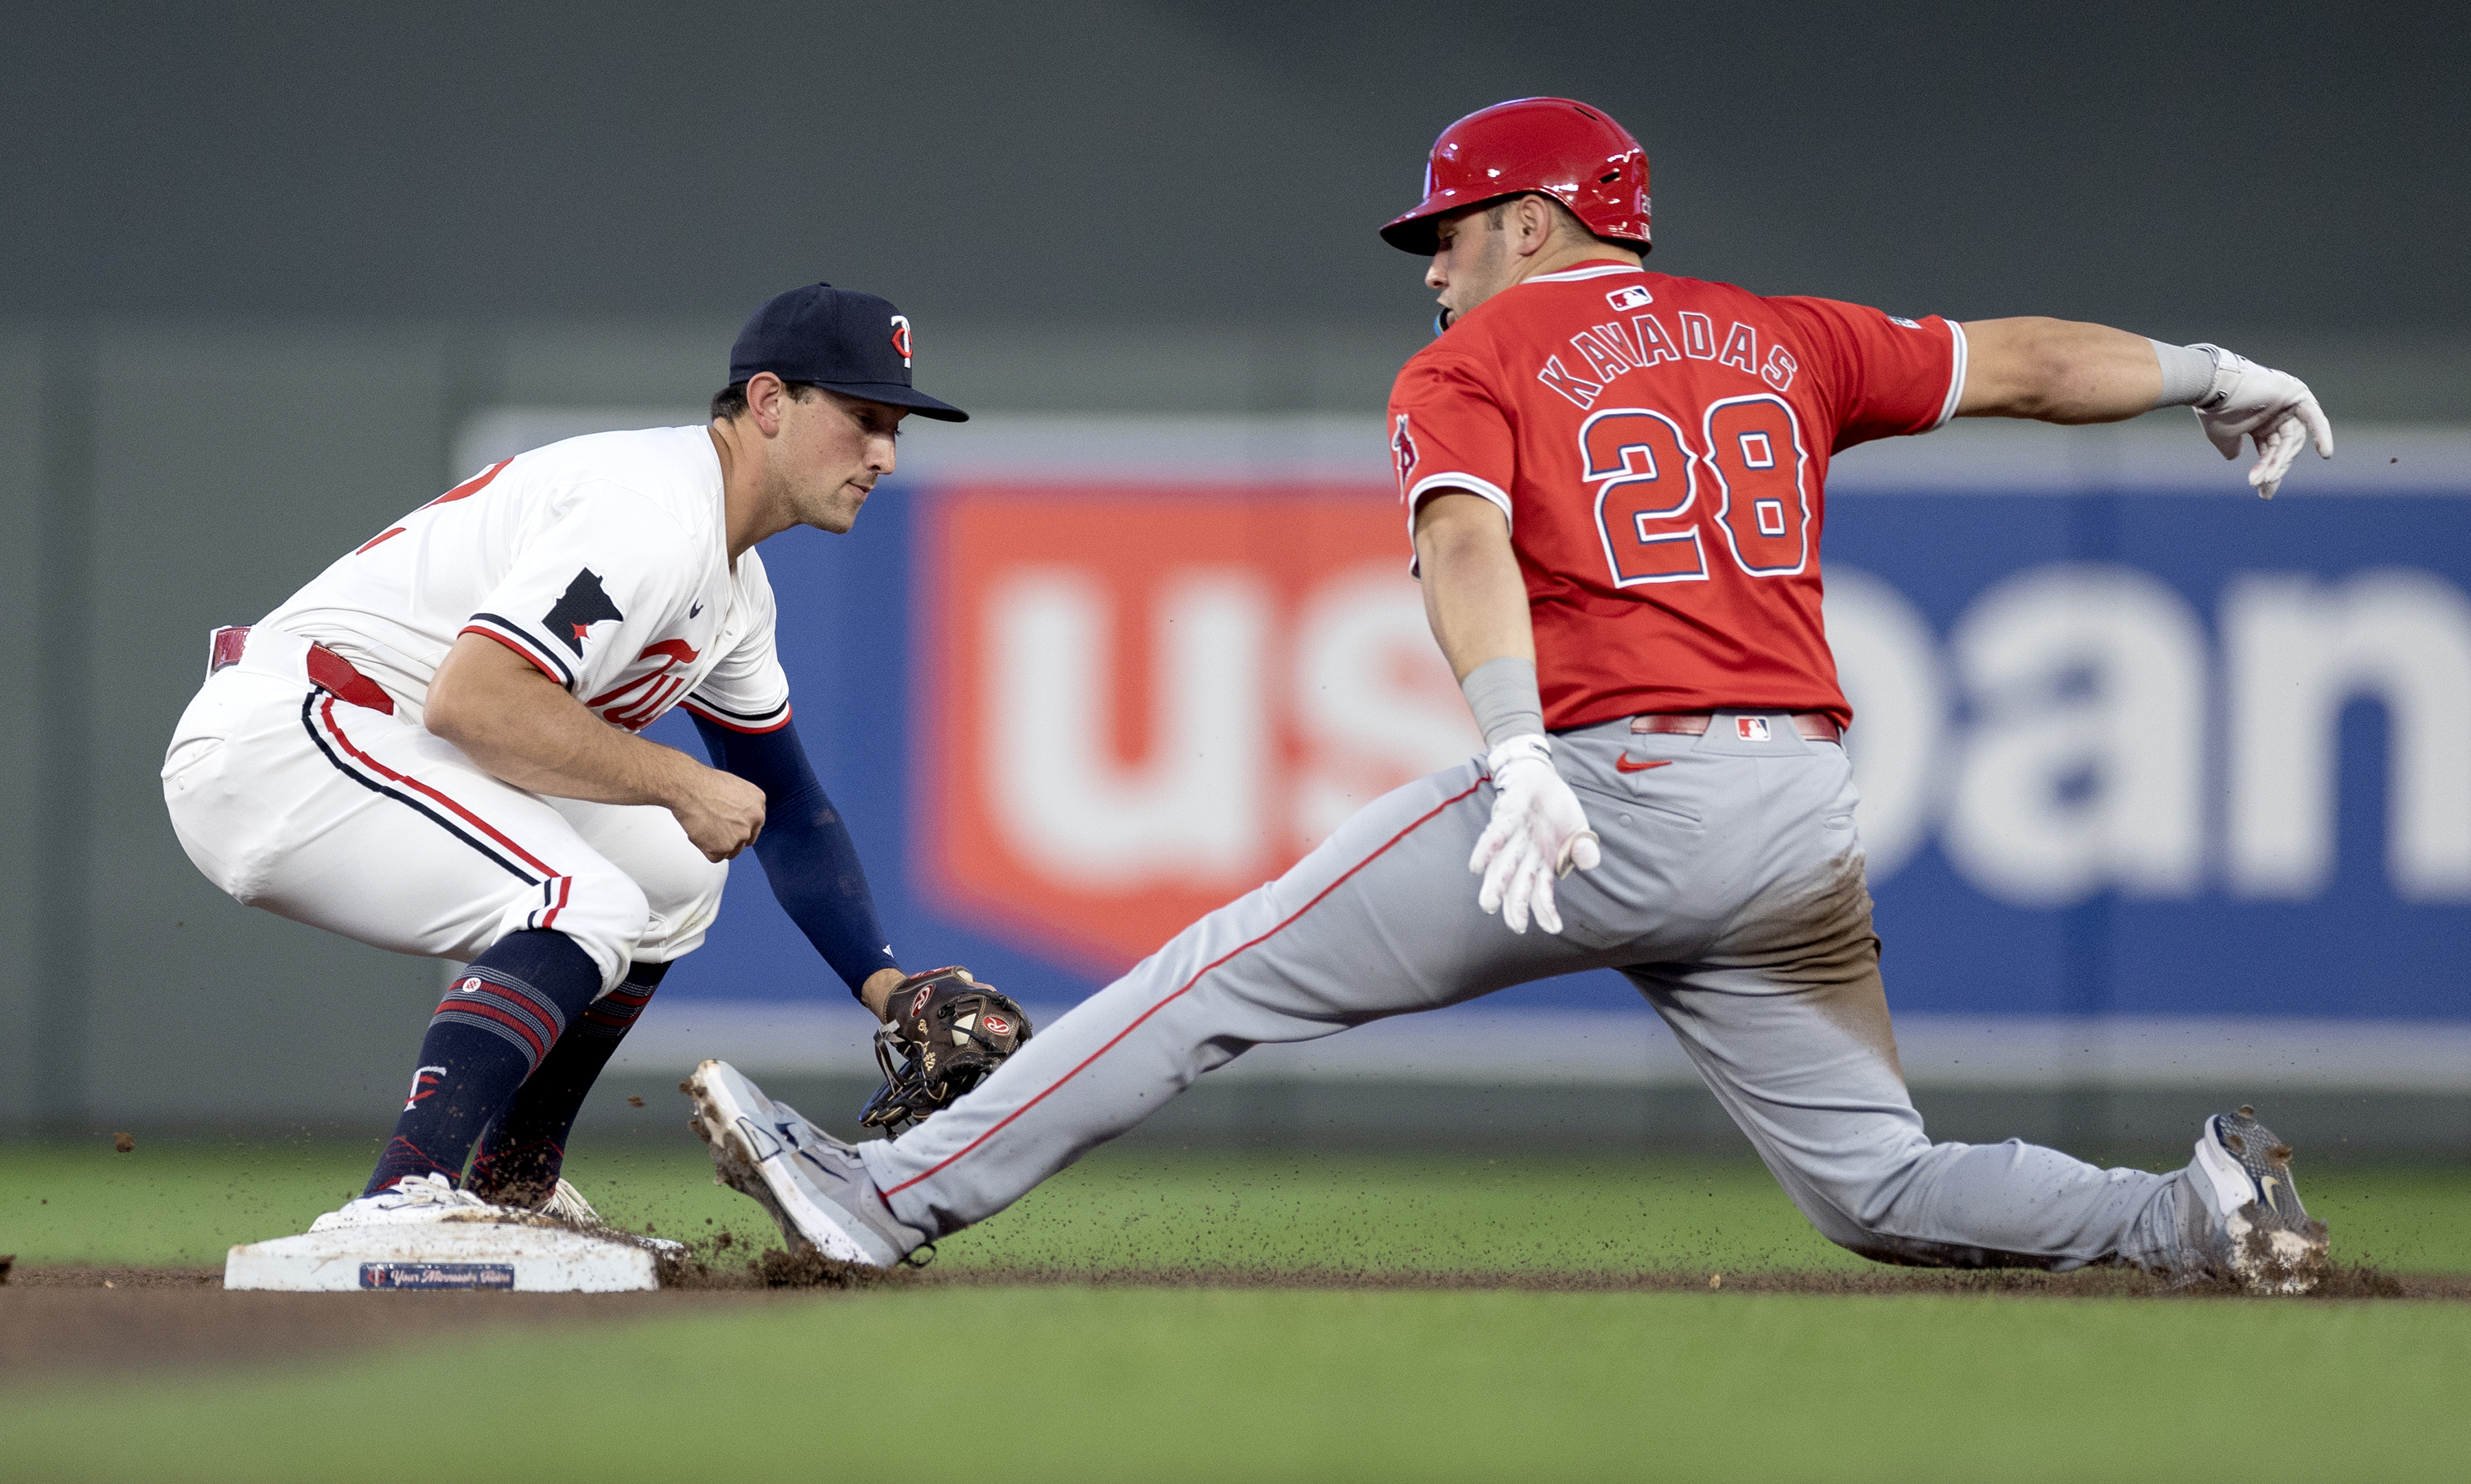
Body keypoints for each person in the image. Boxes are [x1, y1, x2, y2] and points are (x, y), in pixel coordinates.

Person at [687, 98, 2336, 1292]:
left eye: (1449, 231)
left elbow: (1463, 543)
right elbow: (2030, 362)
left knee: (1215, 977)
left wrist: (1516, 743)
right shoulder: (1784, 334)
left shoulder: (1475, 363)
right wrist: (2213, 368)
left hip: (1605, 792)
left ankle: (885, 1197)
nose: (1431, 265)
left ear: (1534, 221)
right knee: (1877, 1183)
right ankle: (2185, 1217)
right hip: (1795, 818)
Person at [163, 282, 973, 1228]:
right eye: (861, 416)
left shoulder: (734, 587)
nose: (883, 451)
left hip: (382, 737)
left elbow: (786, 806)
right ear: (766, 403)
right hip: (286, 735)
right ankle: (400, 1195)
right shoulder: (652, 514)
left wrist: (891, 989)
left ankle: (513, 1184)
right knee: (587, 897)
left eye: (896, 427)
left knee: (674, 874)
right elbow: (476, 699)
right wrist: (676, 778)